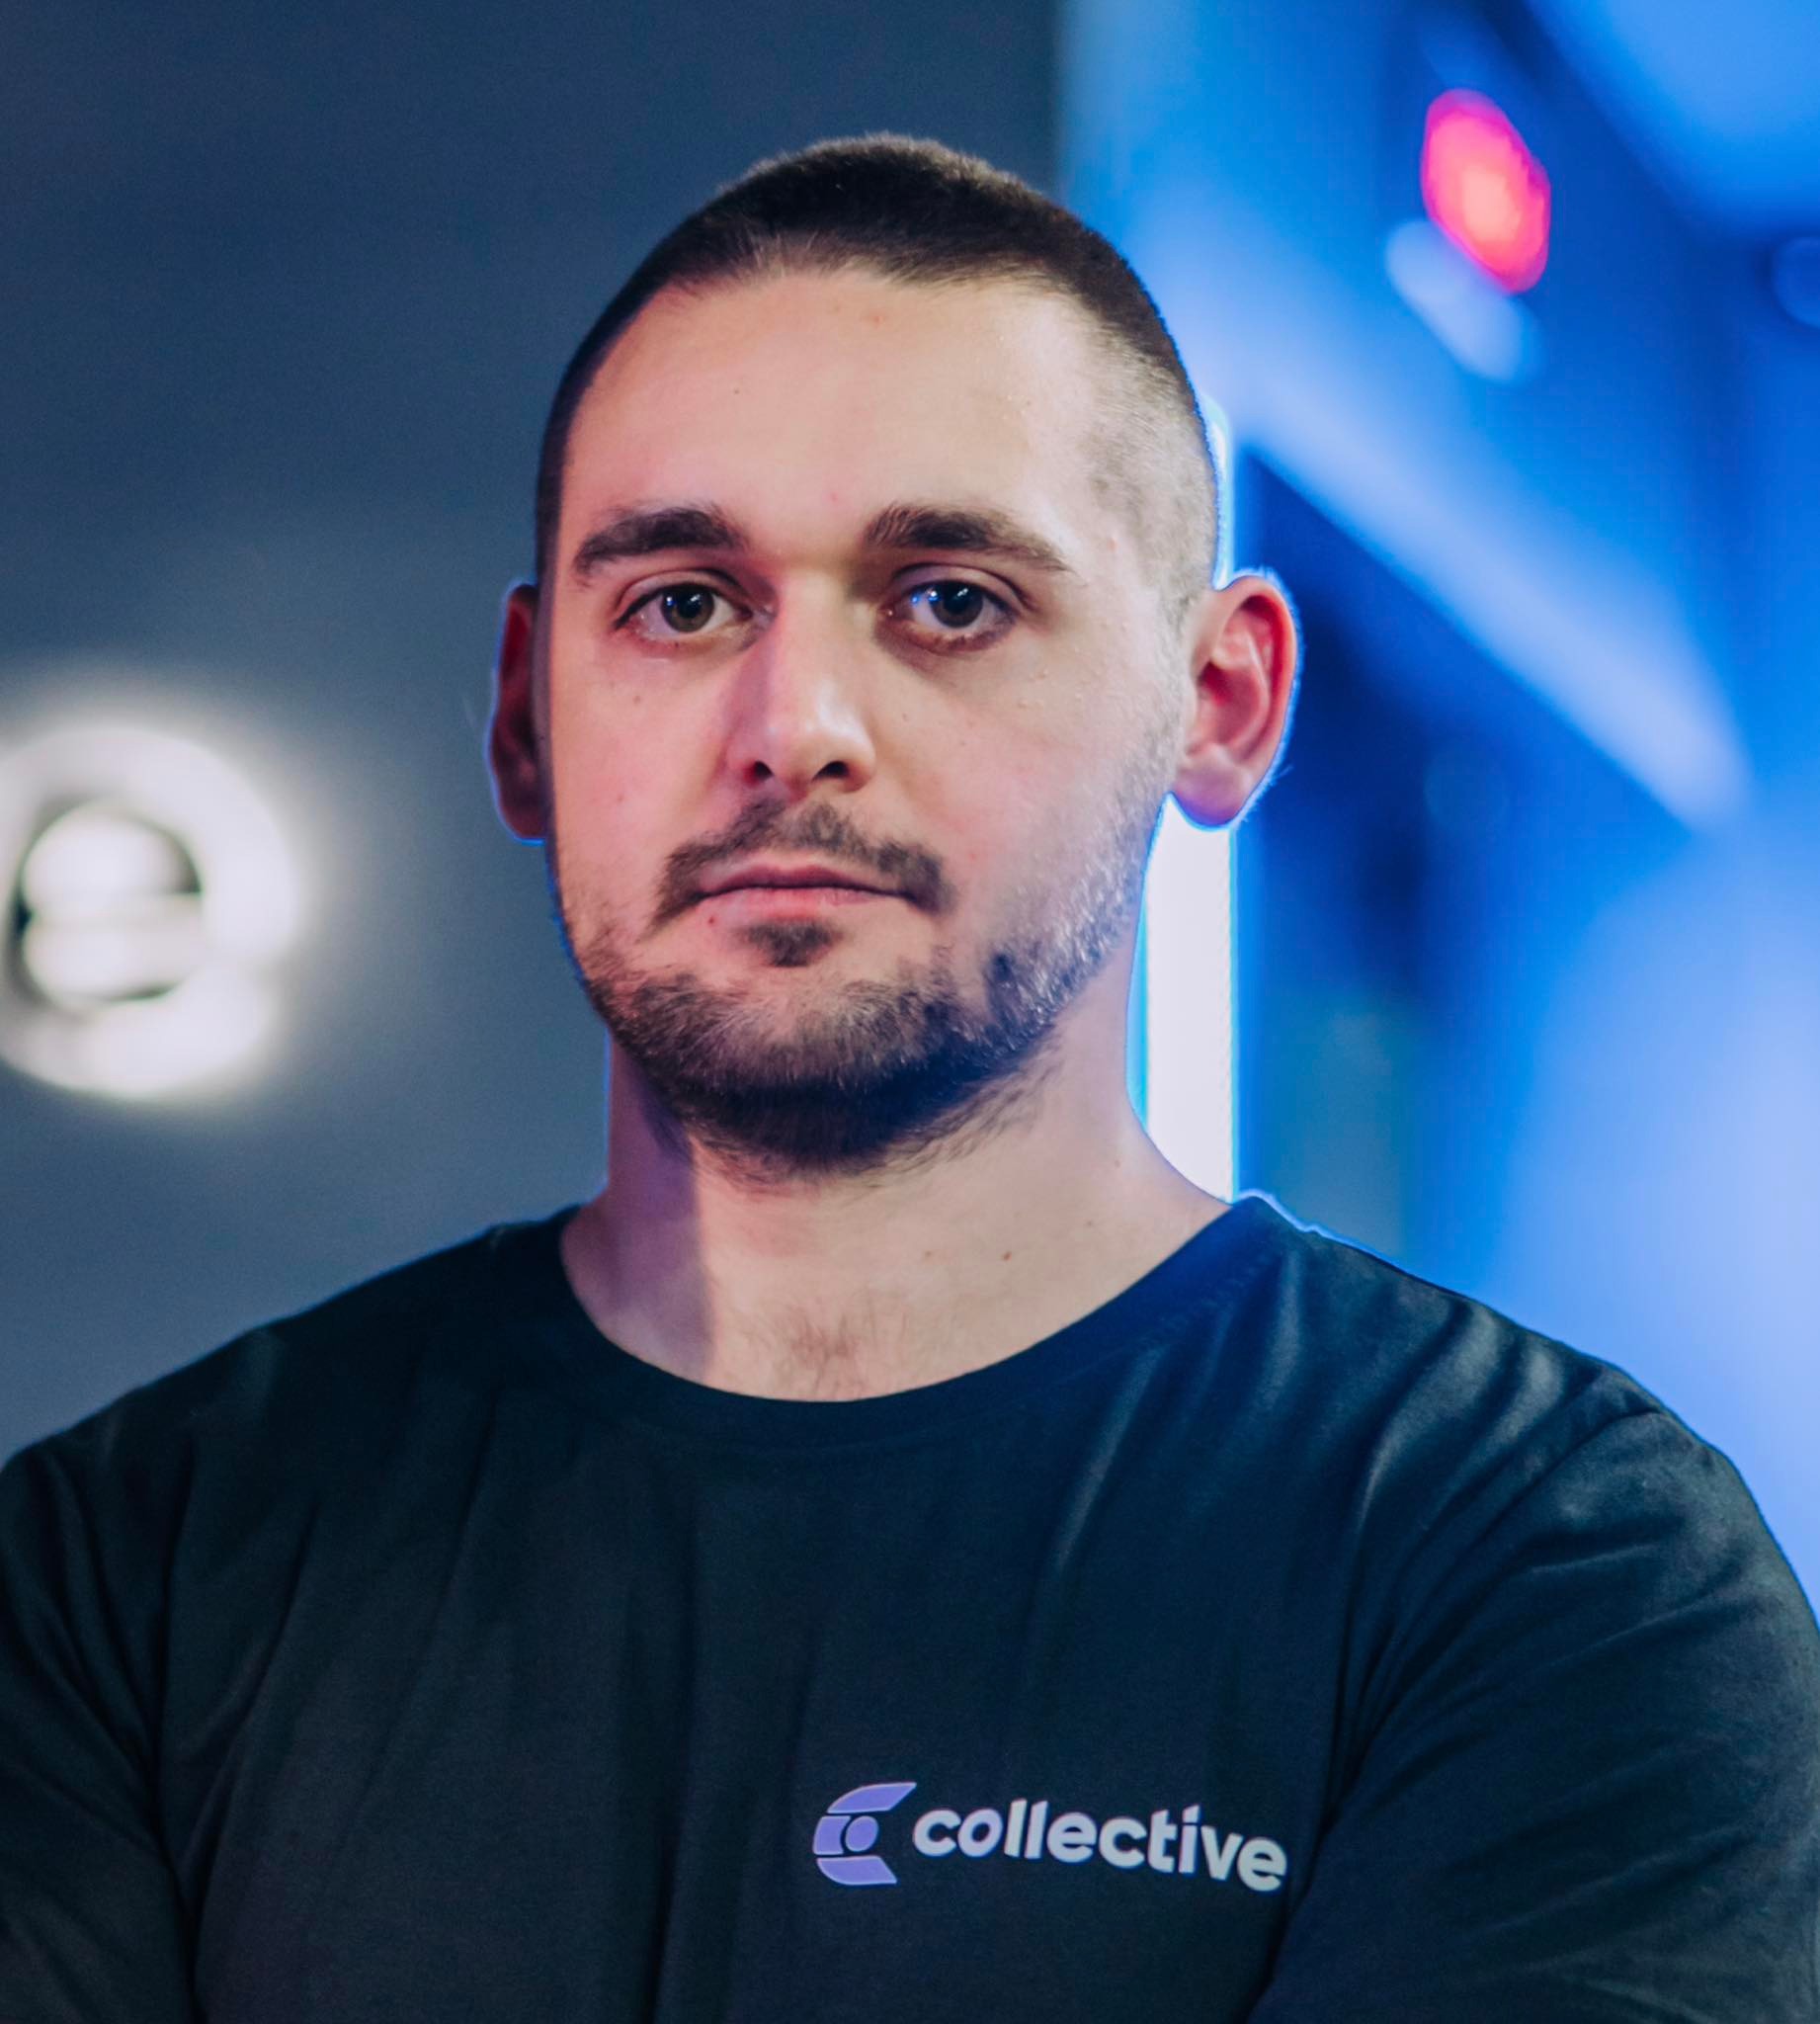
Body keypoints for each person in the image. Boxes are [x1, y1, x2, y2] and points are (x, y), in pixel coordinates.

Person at [1, 133, 1816, 2024]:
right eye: (684, 604)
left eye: (947, 599)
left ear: (1219, 707)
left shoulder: (1544, 1567)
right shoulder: (129, 1562)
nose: (793, 732)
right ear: (528, 714)